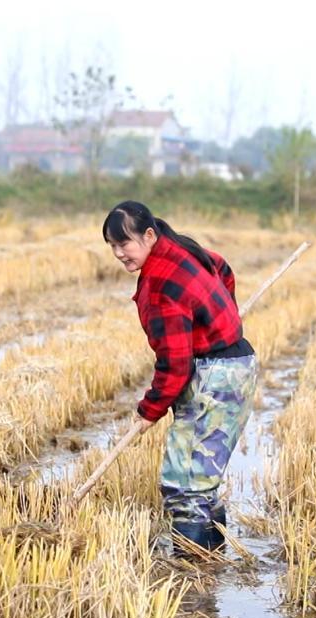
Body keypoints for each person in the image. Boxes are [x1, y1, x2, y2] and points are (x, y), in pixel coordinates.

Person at [102, 200, 258, 553]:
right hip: (236, 365)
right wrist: (220, 318)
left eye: (123, 243)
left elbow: (175, 364)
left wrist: (149, 410)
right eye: (111, 245)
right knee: (200, 479)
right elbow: (222, 266)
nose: (117, 253)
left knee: (184, 485)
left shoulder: (159, 285)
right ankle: (211, 567)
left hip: (214, 380)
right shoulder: (181, 249)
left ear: (149, 234)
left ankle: (192, 580)